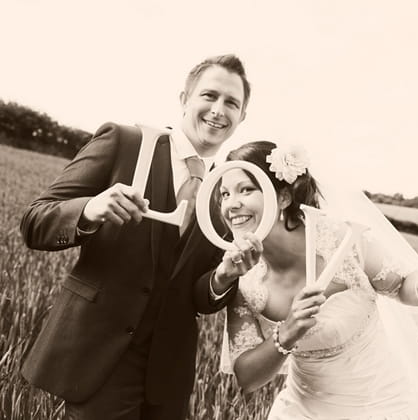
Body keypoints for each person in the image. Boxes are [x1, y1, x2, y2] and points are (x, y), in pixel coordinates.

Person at [19, 54, 253, 420]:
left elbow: (198, 296)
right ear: (184, 99)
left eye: (232, 103)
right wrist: (90, 210)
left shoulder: (225, 192)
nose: (218, 110)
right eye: (209, 95)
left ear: (241, 117)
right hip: (100, 360)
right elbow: (35, 221)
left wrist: (223, 277)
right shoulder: (125, 142)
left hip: (168, 379)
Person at [211, 141, 418, 419]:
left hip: (386, 406)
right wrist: (286, 334)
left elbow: (400, 286)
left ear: (284, 198)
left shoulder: (343, 239)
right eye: (224, 194)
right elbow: (247, 378)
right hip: (302, 410)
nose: (231, 204)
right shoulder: (242, 276)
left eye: (246, 189)